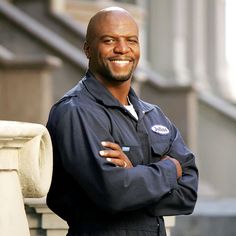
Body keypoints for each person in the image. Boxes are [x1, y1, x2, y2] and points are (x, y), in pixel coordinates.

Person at [46, 6, 198, 236]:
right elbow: (113, 193)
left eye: (131, 40)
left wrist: (135, 174)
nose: (122, 49)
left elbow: (188, 193)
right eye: (109, 40)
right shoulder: (76, 111)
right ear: (88, 49)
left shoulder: (153, 114)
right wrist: (169, 169)